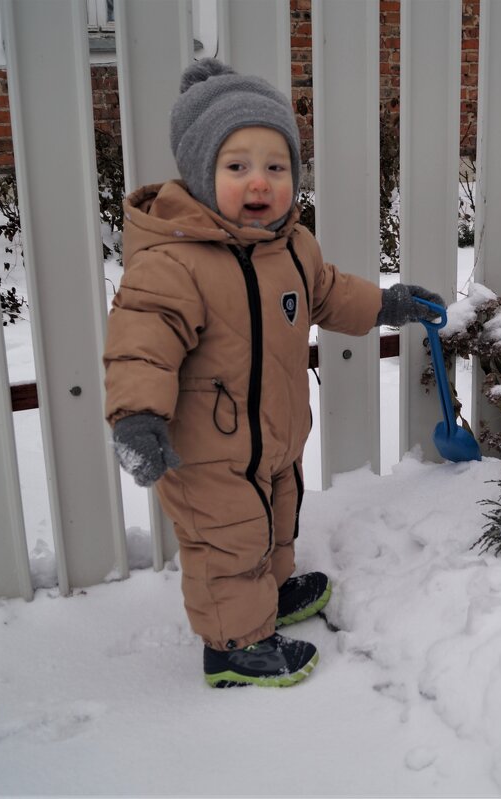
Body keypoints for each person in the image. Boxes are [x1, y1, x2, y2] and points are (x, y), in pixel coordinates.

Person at [103, 60, 443, 688]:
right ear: (202, 173)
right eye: (237, 167)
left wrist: (389, 304)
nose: (259, 181)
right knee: (229, 542)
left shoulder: (290, 244)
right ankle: (233, 646)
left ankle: (272, 594)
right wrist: (139, 419)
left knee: (277, 516)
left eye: (276, 166)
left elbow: (327, 293)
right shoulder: (171, 263)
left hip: (275, 435)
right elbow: (141, 344)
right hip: (204, 449)